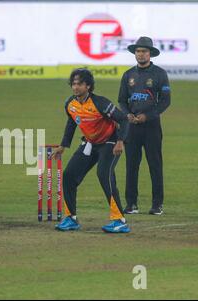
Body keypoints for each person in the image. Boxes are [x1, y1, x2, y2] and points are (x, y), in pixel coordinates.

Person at [53, 68, 130, 233]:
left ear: (88, 86)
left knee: (104, 174)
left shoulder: (100, 103)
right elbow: (72, 123)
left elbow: (123, 119)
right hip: (89, 143)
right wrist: (63, 145)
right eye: (73, 84)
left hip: (110, 142)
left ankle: (119, 220)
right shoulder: (70, 104)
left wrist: (120, 141)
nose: (75, 87)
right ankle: (71, 218)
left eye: (80, 84)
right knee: (69, 175)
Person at [118, 36, 171, 215]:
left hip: (152, 127)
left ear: (150, 54)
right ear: (135, 53)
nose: (141, 55)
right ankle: (131, 204)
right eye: (138, 51)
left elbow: (165, 101)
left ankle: (157, 204)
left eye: (144, 51)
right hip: (132, 127)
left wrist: (146, 116)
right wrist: (128, 115)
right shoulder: (128, 75)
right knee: (131, 165)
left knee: (155, 164)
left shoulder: (159, 74)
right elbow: (121, 100)